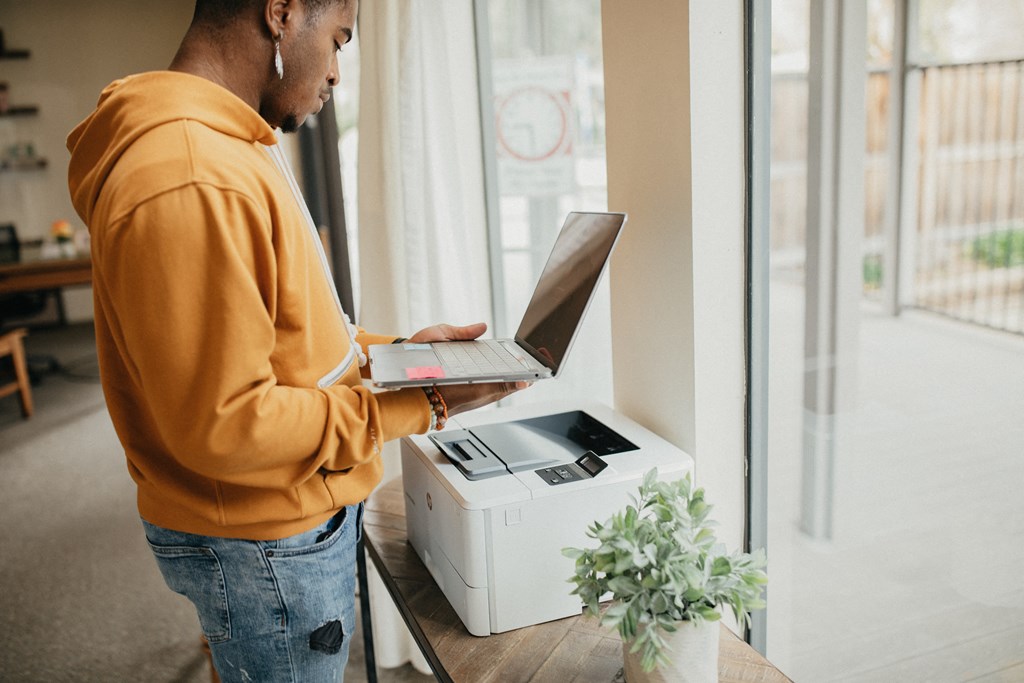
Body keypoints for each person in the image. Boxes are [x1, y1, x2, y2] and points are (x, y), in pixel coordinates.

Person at [66, 0, 526, 680]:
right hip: (264, 544)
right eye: (338, 40)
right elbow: (228, 424)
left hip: (274, 524)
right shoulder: (190, 172)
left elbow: (288, 337)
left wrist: (396, 354)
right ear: (281, 11)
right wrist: (419, 404)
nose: (337, 72)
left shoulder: (230, 148)